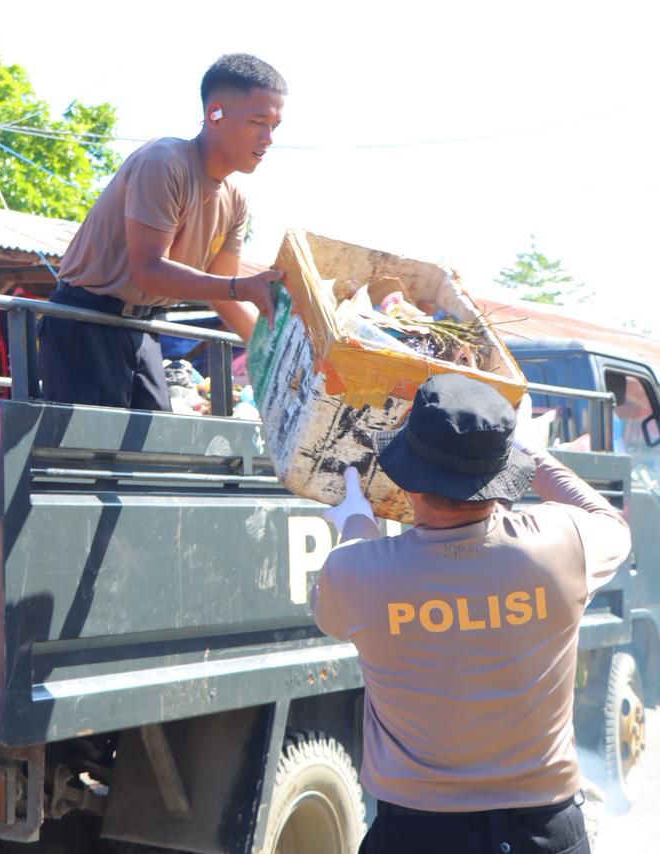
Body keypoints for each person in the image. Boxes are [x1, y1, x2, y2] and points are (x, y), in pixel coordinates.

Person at [312, 375, 631, 853]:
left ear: (407, 481)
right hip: (545, 832)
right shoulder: (561, 543)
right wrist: (529, 451)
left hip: (416, 836)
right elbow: (610, 522)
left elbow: (334, 607)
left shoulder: (355, 572)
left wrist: (356, 519)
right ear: (501, 475)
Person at [38, 53, 286, 411]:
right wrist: (241, 288)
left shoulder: (235, 200)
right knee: (91, 458)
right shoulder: (164, 162)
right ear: (214, 113)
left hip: (143, 329)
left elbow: (224, 293)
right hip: (85, 322)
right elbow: (149, 270)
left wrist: (276, 362)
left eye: (275, 126)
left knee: (152, 456)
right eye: (258, 121)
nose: (268, 138)